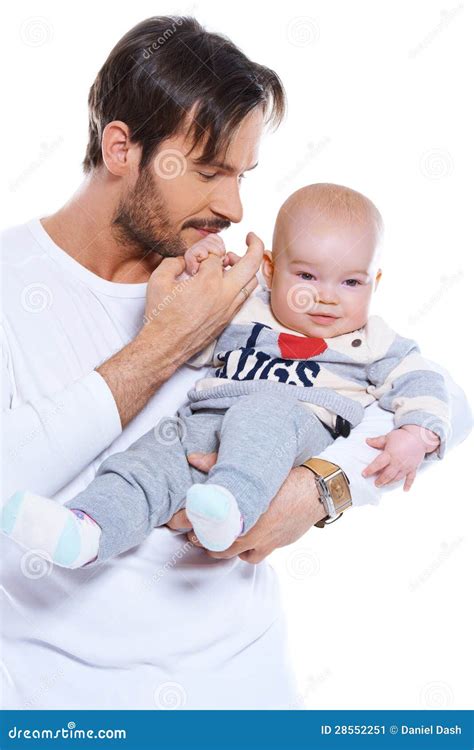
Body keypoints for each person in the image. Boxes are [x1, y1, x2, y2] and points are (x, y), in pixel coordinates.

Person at [1, 17, 471, 709]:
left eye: (243, 174)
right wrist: (166, 344)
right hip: (62, 699)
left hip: (248, 691)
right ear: (122, 147)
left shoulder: (244, 280)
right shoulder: (15, 284)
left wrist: (319, 489)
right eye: (210, 171)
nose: (234, 206)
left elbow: (407, 396)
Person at [2, 184, 452, 564]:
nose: (327, 298)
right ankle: (86, 528)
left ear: (376, 282)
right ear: (272, 270)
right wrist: (196, 268)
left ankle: (230, 510)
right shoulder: (247, 307)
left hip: (300, 428)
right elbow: (187, 337)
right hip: (209, 421)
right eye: (308, 276)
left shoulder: (375, 339)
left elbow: (426, 384)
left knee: (265, 412)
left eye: (351, 283)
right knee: (151, 459)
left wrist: (417, 433)